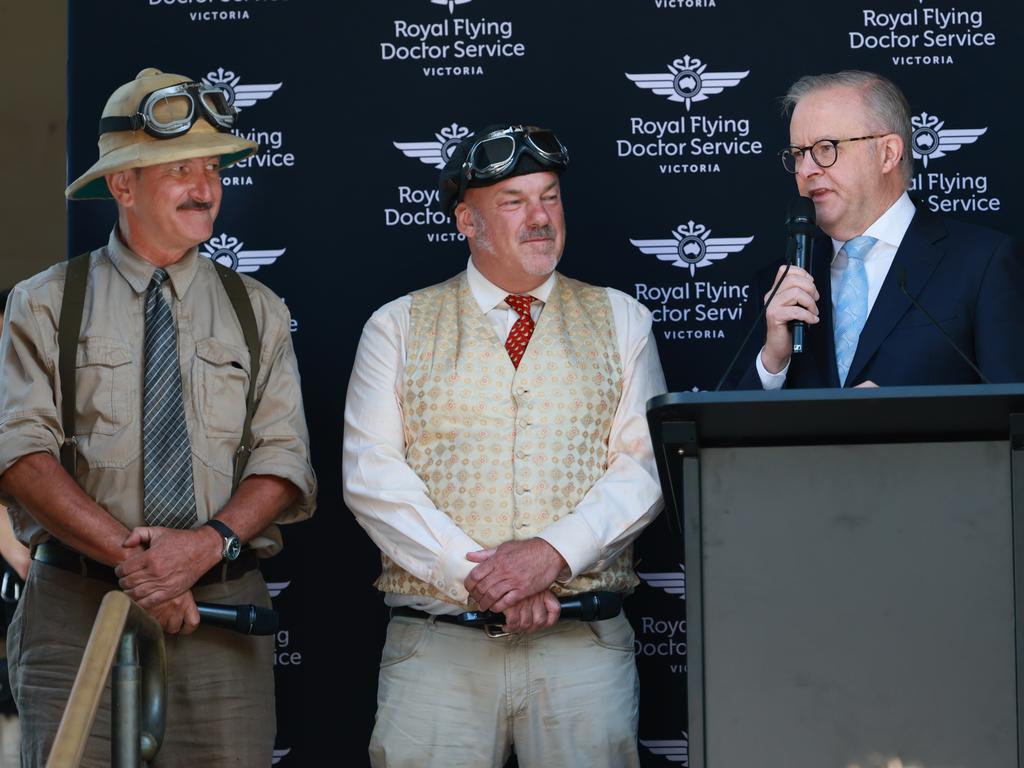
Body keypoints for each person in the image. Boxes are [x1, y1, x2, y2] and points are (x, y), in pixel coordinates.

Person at [0, 67, 316, 766]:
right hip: (73, 611)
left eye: (212, 167)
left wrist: (199, 550)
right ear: (122, 185)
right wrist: (139, 564)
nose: (206, 186)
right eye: (179, 169)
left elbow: (282, 461)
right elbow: (21, 457)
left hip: (219, 608)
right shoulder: (45, 302)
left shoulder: (256, 309)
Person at [342, 124, 666, 768]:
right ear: (468, 219)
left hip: (583, 651)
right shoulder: (398, 325)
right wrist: (482, 577)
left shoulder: (622, 318)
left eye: (549, 198)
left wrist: (550, 555)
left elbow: (645, 469)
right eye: (514, 202)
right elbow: (372, 478)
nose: (540, 218)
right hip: (439, 652)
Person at [731, 70, 1024, 389]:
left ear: (888, 154)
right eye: (798, 154)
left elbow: (1014, 420)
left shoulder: (982, 265)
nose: (806, 170)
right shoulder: (780, 285)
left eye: (825, 148)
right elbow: (728, 433)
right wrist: (773, 361)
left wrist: (904, 417)